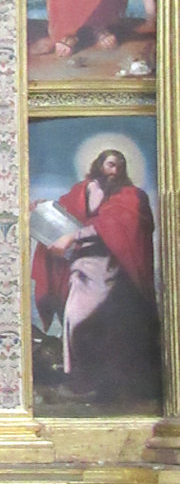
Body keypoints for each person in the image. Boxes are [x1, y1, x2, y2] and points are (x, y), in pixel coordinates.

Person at [32, 148, 160, 402]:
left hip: (114, 269)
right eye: (110, 164)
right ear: (99, 164)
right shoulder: (84, 189)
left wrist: (73, 236)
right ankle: (80, 375)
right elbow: (62, 212)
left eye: (119, 166)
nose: (114, 171)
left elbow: (115, 223)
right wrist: (41, 209)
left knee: (103, 322)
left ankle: (105, 381)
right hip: (81, 268)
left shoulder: (132, 196)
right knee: (73, 317)